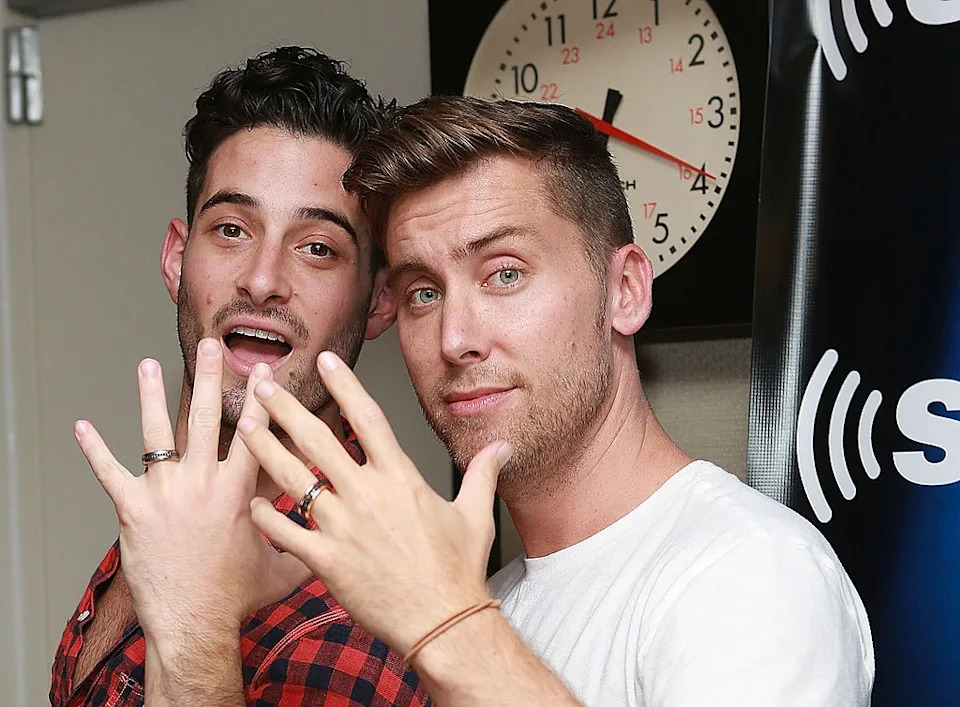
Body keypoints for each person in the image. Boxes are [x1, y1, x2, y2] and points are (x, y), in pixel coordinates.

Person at [234, 96, 875, 705]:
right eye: (423, 292)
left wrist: (445, 620)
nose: (455, 339)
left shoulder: (749, 571)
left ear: (625, 291)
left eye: (504, 273)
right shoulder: (495, 603)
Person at [54, 47, 427, 706]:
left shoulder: (366, 622)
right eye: (231, 229)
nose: (261, 278)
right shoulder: (164, 512)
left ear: (377, 302)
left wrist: (194, 628)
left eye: (318, 247)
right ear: (177, 259)